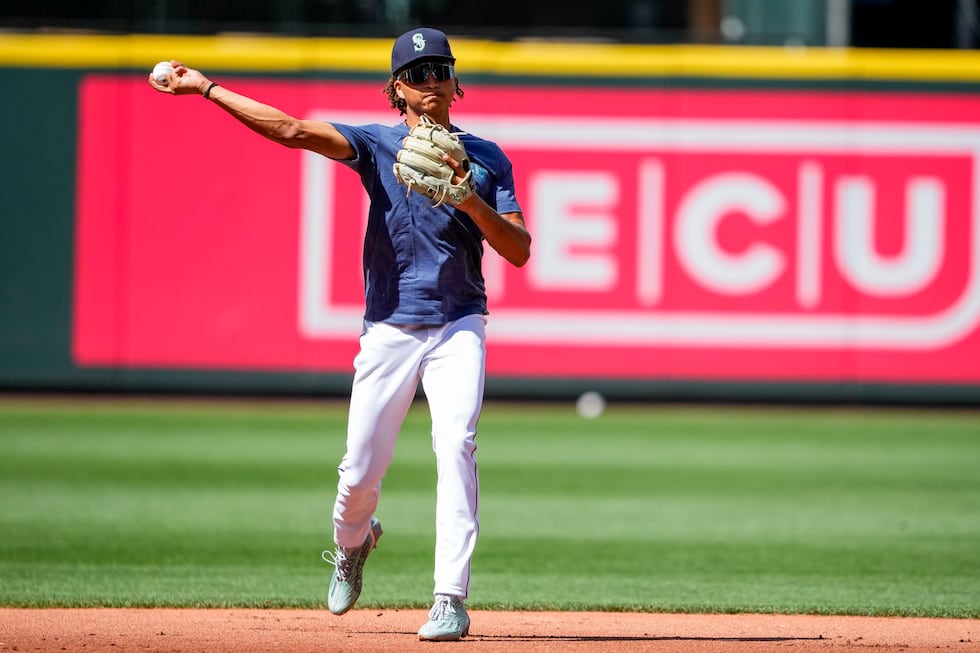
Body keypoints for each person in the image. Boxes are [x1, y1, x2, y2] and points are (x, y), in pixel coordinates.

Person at [149, 27, 531, 642]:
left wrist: (470, 202)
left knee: (456, 444)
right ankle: (353, 545)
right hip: (389, 328)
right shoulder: (376, 144)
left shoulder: (487, 156)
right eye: (418, 73)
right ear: (397, 89)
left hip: (461, 321)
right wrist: (210, 88)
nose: (431, 81)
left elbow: (518, 251)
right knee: (357, 476)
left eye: (441, 70)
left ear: (455, 83)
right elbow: (294, 131)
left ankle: (448, 598)